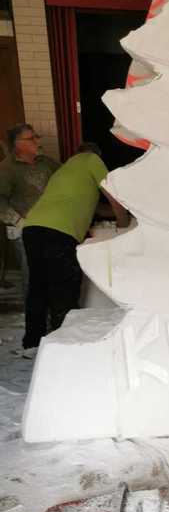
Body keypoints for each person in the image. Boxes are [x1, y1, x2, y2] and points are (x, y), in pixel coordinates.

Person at [20, 143, 129, 357]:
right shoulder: (91, 159)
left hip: (33, 227)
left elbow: (96, 208)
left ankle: (32, 343)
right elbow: (113, 193)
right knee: (64, 287)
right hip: (58, 231)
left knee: (38, 287)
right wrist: (123, 221)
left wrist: (116, 213)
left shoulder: (64, 170)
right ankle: (64, 344)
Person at [0, 124, 59, 297]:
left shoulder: (45, 162)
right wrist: (19, 221)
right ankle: (34, 314)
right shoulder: (6, 169)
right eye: (31, 138)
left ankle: (51, 310)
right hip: (23, 230)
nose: (37, 141)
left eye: (36, 136)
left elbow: (67, 175)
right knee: (33, 277)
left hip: (49, 225)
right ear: (17, 143)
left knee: (52, 273)